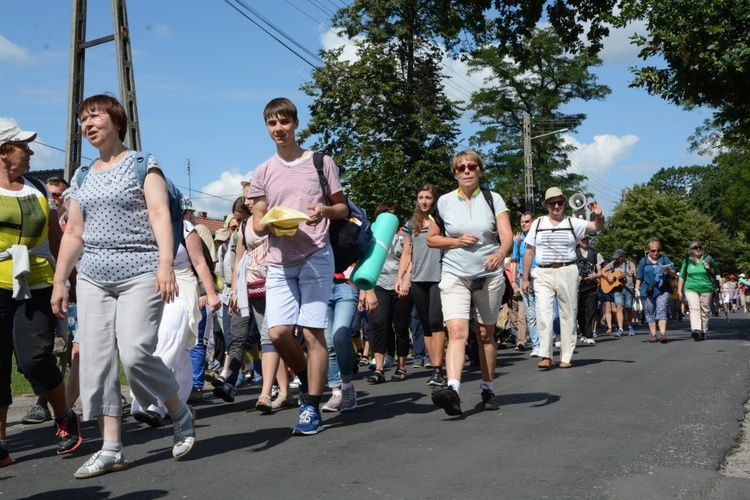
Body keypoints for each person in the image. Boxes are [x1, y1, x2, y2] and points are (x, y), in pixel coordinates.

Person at [50, 94, 196, 478]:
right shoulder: (82, 176)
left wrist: (166, 263)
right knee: (96, 363)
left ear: (116, 120)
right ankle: (112, 448)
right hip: (94, 276)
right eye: (83, 119)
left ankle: (178, 410)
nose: (87, 124)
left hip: (140, 272)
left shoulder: (143, 164)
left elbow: (159, 213)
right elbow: (75, 232)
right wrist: (60, 280)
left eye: (94, 116)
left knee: (134, 353)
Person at [248, 97, 348, 435]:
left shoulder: (321, 162)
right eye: (272, 124)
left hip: (316, 254)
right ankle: (310, 377)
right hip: (278, 259)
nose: (279, 129)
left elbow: (342, 209)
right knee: (277, 332)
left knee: (311, 330)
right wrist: (267, 225)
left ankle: (311, 406)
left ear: (295, 124)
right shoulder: (262, 171)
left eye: (284, 122)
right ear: (267, 128)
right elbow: (257, 222)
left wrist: (324, 212)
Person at [0, 123, 82, 468]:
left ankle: (64, 416)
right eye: (24, 146)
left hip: (38, 281)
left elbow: (55, 238)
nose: (31, 152)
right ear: (3, 151)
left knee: (34, 357)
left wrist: (69, 280)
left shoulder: (36, 188)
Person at [426, 150, 513, 415]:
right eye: (460, 168)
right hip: (455, 274)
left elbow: (507, 235)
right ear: (454, 173)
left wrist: (500, 253)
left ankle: (488, 388)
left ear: (479, 170)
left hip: (488, 277)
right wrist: (455, 241)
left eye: (471, 166)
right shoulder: (443, 202)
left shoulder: (493, 198)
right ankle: (453, 390)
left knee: (485, 334)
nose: (466, 171)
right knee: (457, 332)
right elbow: (431, 239)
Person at [522, 187, 604, 370]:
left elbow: (596, 227)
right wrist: (525, 278)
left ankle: (566, 355)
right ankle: (545, 355)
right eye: (552, 203)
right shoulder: (538, 223)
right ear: (546, 205)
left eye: (559, 202)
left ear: (564, 203)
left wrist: (599, 215)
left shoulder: (572, 222)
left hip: (567, 271)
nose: (556, 206)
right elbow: (529, 252)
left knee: (568, 313)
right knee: (543, 313)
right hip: (543, 272)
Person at [21, 176, 73, 425]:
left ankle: (54, 405)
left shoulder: (72, 223)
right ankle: (46, 402)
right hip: (46, 288)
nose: (55, 199)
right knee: (54, 349)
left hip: (67, 289)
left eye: (58, 195)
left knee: (65, 348)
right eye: (51, 194)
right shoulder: (39, 220)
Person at [396, 184, 446, 386]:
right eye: (420, 197)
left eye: (428, 197)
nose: (424, 201)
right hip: (418, 279)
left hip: (439, 277)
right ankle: (435, 367)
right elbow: (407, 254)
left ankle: (438, 369)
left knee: (436, 321)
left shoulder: (442, 221)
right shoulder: (411, 224)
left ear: (434, 200)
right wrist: (400, 278)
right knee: (425, 324)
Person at [366, 202, 413, 385]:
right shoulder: (371, 236)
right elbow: (366, 264)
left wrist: (405, 281)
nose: (391, 217)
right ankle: (379, 368)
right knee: (379, 324)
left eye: (394, 213)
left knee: (401, 327)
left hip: (399, 285)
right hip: (378, 286)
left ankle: (401, 366)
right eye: (387, 213)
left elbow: (410, 259)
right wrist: (366, 291)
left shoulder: (402, 237)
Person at [511, 212, 541, 357]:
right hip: (524, 279)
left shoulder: (539, 237)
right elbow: (514, 260)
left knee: (543, 312)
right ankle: (536, 345)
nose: (523, 224)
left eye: (526, 221)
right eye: (522, 221)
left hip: (540, 277)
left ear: (533, 222)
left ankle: (546, 341)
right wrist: (513, 280)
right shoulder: (518, 240)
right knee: (530, 314)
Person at [634, 240, 675, 344]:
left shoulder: (664, 259)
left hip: (662, 289)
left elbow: (673, 273)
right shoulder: (643, 261)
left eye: (658, 250)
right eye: (653, 251)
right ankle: (653, 335)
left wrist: (669, 271)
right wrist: (636, 289)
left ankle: (662, 334)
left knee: (661, 309)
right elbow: (639, 276)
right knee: (649, 311)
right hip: (647, 289)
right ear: (649, 251)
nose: (656, 253)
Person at [677, 240, 716, 341]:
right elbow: (682, 276)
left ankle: (703, 331)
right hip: (691, 288)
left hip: (706, 288)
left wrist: (709, 268)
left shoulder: (708, 259)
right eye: (695, 247)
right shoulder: (687, 261)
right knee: (694, 308)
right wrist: (679, 290)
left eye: (700, 247)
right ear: (691, 250)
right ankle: (696, 330)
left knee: (705, 310)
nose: (698, 249)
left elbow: (717, 271)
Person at [602, 249, 637, 336]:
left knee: (628, 308)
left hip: (629, 288)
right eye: (615, 258)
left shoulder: (629, 264)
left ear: (622, 257)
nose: (616, 259)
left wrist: (632, 273)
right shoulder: (613, 264)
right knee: (619, 307)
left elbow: (633, 273)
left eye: (618, 258)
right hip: (617, 289)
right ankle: (620, 328)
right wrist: (608, 277)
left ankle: (630, 326)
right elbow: (603, 271)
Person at [575, 236, 603, 344]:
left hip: (591, 286)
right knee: (580, 312)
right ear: (579, 241)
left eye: (587, 240)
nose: (585, 242)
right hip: (578, 287)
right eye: (583, 240)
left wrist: (595, 275)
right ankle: (583, 333)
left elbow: (600, 271)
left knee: (591, 311)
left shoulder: (596, 254)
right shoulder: (574, 254)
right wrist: (576, 276)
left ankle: (589, 335)